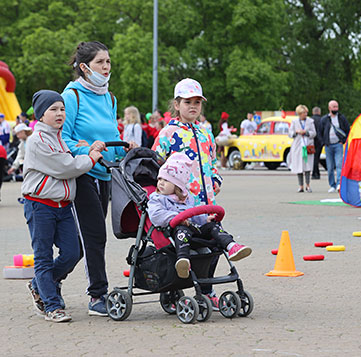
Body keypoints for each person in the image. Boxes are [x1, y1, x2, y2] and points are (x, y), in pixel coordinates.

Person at [61, 41, 137, 316]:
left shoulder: (109, 97)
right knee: (95, 236)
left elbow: (108, 134)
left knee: (86, 241)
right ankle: (97, 295)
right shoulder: (71, 96)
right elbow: (64, 139)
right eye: (100, 63)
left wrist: (123, 147)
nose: (106, 68)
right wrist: (89, 149)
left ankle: (47, 280)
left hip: (106, 172)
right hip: (82, 173)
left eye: (108, 62)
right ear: (84, 67)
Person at [22, 90, 104, 323]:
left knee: (73, 251)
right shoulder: (37, 140)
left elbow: (71, 154)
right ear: (41, 115)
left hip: (63, 206)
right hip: (40, 206)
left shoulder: (59, 137)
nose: (60, 113)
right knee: (43, 257)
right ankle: (52, 305)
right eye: (53, 109)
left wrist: (87, 148)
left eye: (62, 109)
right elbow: (66, 167)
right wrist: (92, 157)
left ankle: (39, 284)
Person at [152, 78, 223, 309]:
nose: (193, 106)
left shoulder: (206, 134)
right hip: (179, 205)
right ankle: (174, 290)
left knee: (211, 243)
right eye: (187, 102)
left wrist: (215, 179)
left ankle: (206, 288)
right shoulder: (168, 133)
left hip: (205, 202)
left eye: (197, 102)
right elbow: (156, 164)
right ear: (177, 104)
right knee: (181, 246)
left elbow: (212, 163)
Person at [148, 152, 251, 278]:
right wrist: (177, 218)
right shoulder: (157, 198)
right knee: (182, 229)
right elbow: (156, 215)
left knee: (213, 226)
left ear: (178, 185)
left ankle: (232, 246)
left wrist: (205, 219)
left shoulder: (187, 198)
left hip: (194, 230)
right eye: (160, 179)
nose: (161, 183)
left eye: (166, 180)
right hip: (175, 234)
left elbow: (193, 213)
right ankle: (183, 261)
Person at [320, 100, 350, 192]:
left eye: (336, 106)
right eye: (334, 107)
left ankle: (338, 184)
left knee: (339, 165)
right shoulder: (324, 119)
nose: (336, 109)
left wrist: (343, 141)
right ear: (329, 108)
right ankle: (332, 185)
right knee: (330, 167)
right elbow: (320, 132)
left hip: (338, 145)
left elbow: (347, 129)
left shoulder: (341, 118)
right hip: (328, 146)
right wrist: (323, 142)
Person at [288, 105, 316, 192]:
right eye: (304, 113)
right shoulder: (294, 122)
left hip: (307, 146)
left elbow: (314, 133)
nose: (305, 114)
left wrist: (306, 132)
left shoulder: (311, 122)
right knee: (298, 166)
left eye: (306, 112)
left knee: (307, 166)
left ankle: (308, 185)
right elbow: (290, 133)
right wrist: (296, 132)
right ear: (299, 114)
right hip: (298, 146)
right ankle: (301, 186)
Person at [311, 106, 323, 179]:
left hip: (312, 141)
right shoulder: (322, 120)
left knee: (313, 157)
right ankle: (317, 173)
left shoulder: (310, 120)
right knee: (317, 157)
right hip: (320, 141)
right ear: (319, 112)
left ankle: (314, 173)